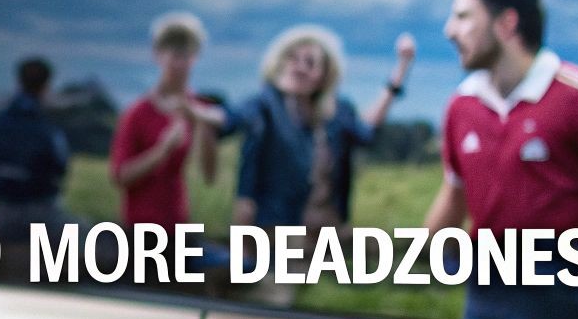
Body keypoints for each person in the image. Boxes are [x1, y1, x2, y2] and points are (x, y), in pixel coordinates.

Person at [424, 0, 578, 319]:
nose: (450, 31)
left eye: (464, 16)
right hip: (487, 284)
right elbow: (454, 194)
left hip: (568, 286)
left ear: (507, 22)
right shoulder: (461, 105)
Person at [227, 25, 415, 230]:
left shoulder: (337, 113)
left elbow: (366, 131)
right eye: (292, 59)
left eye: (309, 62)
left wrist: (401, 69)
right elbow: (229, 119)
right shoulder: (265, 107)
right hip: (279, 230)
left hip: (328, 227)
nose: (299, 68)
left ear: (325, 73)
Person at [109, 12, 221, 230]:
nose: (179, 63)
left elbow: (209, 176)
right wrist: (163, 150)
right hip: (139, 226)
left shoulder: (198, 109)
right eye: (174, 54)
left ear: (195, 56)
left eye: (185, 54)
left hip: (178, 224)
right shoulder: (137, 113)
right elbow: (120, 176)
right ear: (158, 55)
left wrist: (204, 127)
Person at [0, 55, 78, 244]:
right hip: (42, 214)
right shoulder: (47, 129)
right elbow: (60, 166)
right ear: (46, 85)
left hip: (3, 210)